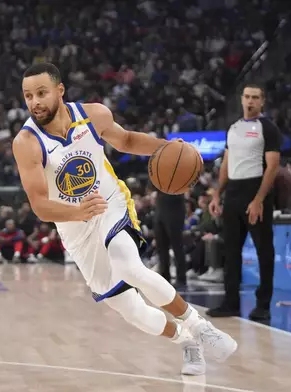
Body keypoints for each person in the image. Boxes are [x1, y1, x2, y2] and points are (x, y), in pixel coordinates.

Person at [13, 63, 238, 376]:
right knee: (133, 312)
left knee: (130, 266)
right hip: (74, 227)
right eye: (28, 96)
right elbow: (39, 205)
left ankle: (200, 327)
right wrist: (78, 212)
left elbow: (128, 141)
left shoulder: (93, 115)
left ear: (60, 91)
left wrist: (168, 149)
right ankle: (187, 341)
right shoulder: (26, 142)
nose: (34, 101)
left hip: (110, 204)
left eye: (41, 93)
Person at [207, 84, 281, 321]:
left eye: (255, 98)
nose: (250, 101)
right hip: (234, 192)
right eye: (247, 97)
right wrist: (218, 194)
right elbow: (227, 164)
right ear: (241, 99)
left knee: (263, 250)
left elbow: (273, 166)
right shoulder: (234, 128)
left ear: (262, 102)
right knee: (231, 251)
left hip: (256, 189)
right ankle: (231, 302)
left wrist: (259, 199)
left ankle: (263, 304)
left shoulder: (267, 128)